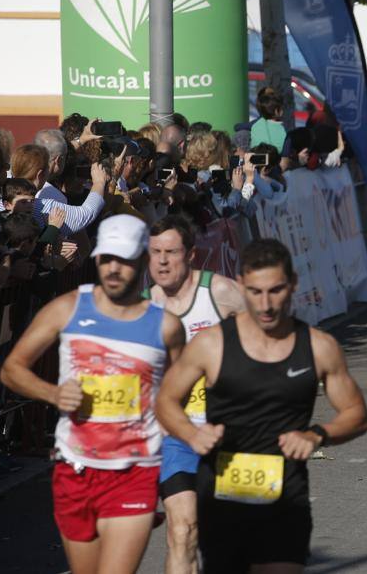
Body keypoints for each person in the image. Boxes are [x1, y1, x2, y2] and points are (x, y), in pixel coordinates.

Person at [156, 239, 367, 573]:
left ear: (293, 285)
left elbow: (357, 413)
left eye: (275, 291)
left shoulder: (318, 347)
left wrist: (317, 435)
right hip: (221, 496)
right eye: (255, 292)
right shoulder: (211, 344)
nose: (266, 304)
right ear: (241, 286)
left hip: (286, 496)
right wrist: (190, 433)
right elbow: (166, 400)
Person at [0, 215, 186, 574]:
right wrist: (54, 393)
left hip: (135, 470)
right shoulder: (68, 308)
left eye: (124, 260)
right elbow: (12, 369)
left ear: (142, 260)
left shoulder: (166, 326)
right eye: (106, 259)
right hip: (76, 467)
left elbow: (177, 396)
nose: (114, 269)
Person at [146, 215, 246, 574]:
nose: (161, 260)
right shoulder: (144, 308)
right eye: (155, 252)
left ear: (190, 255)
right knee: (182, 529)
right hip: (176, 436)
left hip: (231, 431)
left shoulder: (221, 293)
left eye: (170, 252)